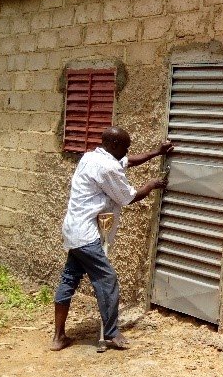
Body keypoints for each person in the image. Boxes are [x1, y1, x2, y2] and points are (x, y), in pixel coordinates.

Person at [51, 126, 173, 351]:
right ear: (114, 145)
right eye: (125, 147)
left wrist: (157, 152)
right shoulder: (107, 167)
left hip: (73, 230)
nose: (127, 151)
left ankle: (58, 337)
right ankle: (111, 333)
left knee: (69, 279)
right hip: (86, 235)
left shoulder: (91, 157)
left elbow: (127, 161)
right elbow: (128, 197)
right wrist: (152, 185)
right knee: (107, 279)